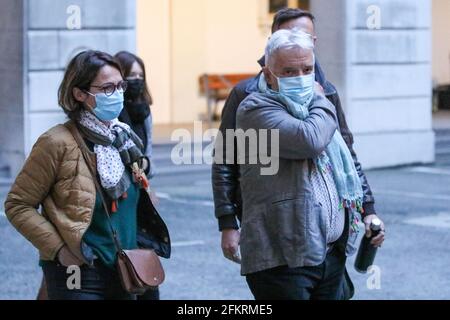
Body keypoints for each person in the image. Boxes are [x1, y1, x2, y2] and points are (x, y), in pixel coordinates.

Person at [211, 8, 381, 299]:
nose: (299, 77)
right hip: (281, 248)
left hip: (330, 250)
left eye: (305, 68)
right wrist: (228, 221)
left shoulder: (324, 91)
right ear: (269, 64)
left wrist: (368, 210)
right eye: (289, 71)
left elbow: (347, 155)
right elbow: (308, 140)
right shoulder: (252, 99)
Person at [4, 50, 170, 300]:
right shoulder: (56, 142)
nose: (117, 94)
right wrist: (59, 250)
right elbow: (18, 204)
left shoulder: (123, 139)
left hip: (127, 266)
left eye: (120, 85)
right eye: (106, 88)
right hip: (78, 272)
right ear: (79, 94)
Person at [114, 51, 160, 300]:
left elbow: (148, 150)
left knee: (144, 258)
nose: (136, 80)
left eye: (140, 75)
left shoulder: (144, 110)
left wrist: (148, 184)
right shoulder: (111, 113)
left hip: (140, 189)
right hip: (118, 192)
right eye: (130, 75)